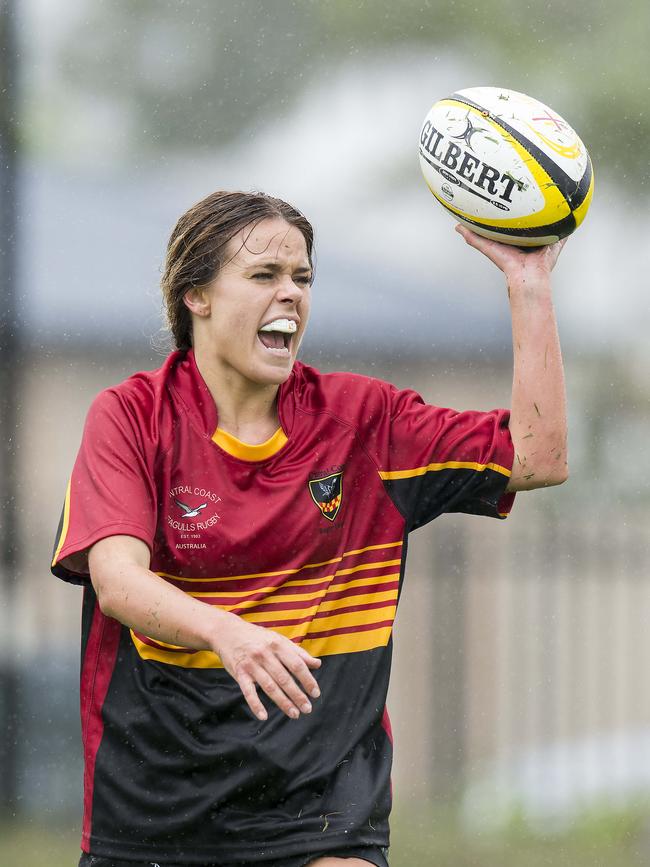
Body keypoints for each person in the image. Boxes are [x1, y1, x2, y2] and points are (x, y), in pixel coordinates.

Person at [51, 190, 568, 867]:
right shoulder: (131, 416)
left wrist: (528, 285)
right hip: (156, 815)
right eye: (264, 276)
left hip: (319, 815)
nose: (290, 294)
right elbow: (118, 579)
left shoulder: (366, 422)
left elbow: (539, 455)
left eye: (302, 278)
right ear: (195, 295)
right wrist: (228, 633)